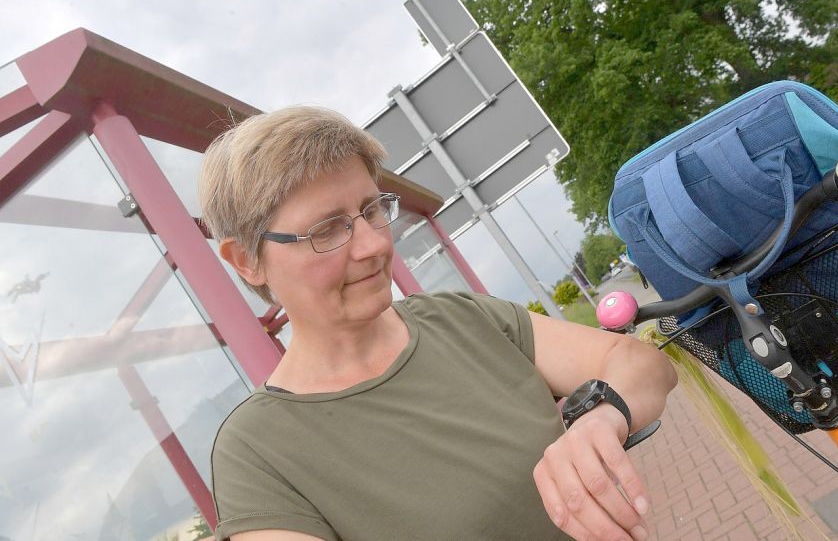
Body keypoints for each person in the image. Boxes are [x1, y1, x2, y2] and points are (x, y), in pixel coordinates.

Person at [200, 106, 677, 541]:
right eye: (327, 230)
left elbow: (638, 362)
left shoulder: (460, 318)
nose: (373, 246)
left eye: (370, 211)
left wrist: (602, 414)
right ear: (247, 261)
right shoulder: (257, 452)